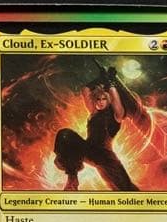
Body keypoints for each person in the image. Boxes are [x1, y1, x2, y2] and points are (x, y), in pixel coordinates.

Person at [52, 63, 140, 191]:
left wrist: (110, 81)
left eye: (104, 99)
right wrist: (101, 78)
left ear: (109, 100)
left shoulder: (117, 115)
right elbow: (85, 90)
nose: (100, 102)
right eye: (98, 99)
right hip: (89, 150)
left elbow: (116, 101)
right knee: (65, 134)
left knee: (127, 190)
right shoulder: (94, 112)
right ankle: (72, 178)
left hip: (106, 158)